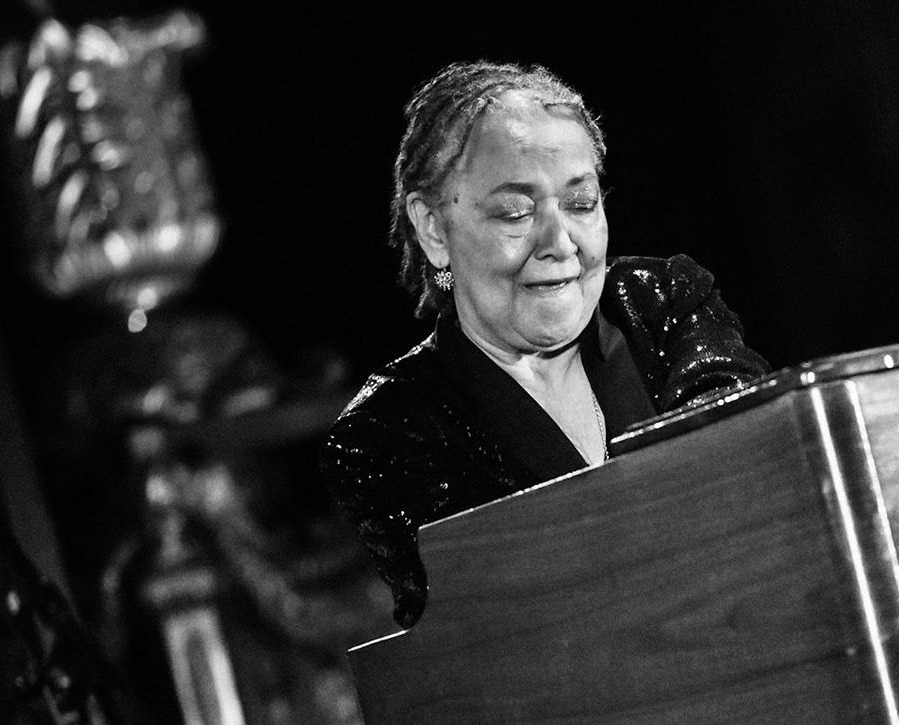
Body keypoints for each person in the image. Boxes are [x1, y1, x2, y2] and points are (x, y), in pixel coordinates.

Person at [321, 62, 769, 628]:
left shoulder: (666, 305)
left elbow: (759, 480)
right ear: (434, 229)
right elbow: (498, 637)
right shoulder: (389, 432)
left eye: (581, 204)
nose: (560, 243)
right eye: (516, 212)